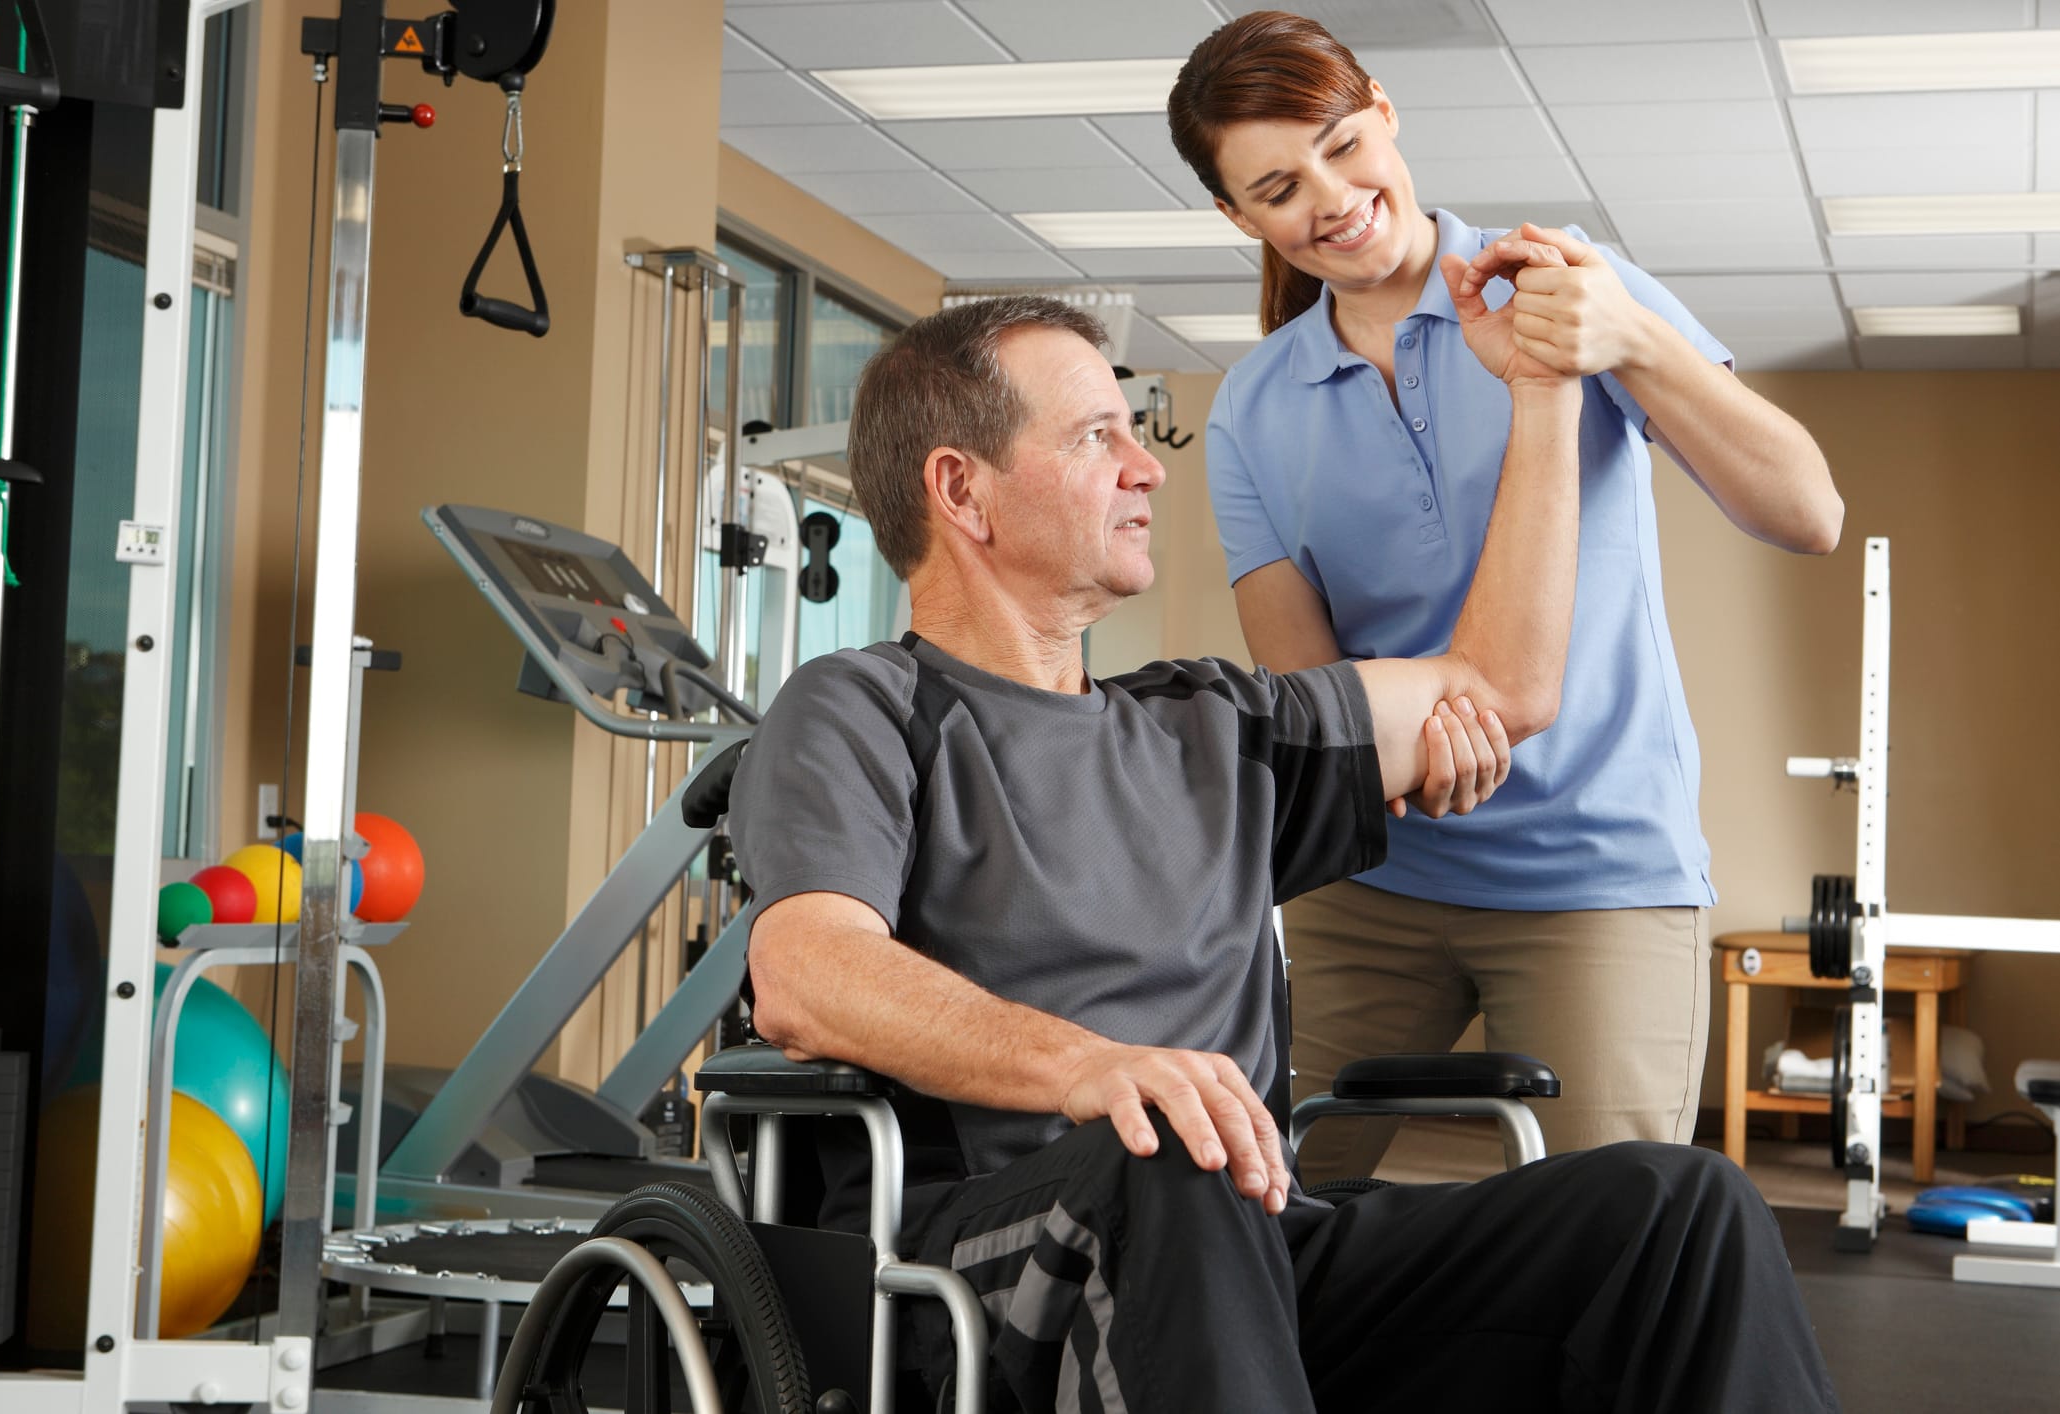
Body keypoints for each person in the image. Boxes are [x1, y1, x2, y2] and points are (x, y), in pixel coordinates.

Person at [727, 292, 1838, 1411]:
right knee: (1166, 1150)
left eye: (1130, 431)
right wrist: (1089, 1067)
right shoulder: (858, 706)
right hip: (990, 1262)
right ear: (962, 490)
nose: (1146, 468)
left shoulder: (1213, 724)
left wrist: (1544, 390)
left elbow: (1500, 691)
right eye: (1092, 436)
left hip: (1248, 1240)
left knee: (1678, 1210)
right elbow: (807, 974)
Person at [1166, 10, 1845, 1180]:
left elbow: (1808, 513)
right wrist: (1428, 754)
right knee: (1261, 1212)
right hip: (1371, 876)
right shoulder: (1253, 407)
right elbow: (1308, 683)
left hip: (1598, 877)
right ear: (1240, 219)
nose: (1330, 196)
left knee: (1614, 1240)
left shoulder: (1570, 286)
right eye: (1279, 187)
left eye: (1342, 143)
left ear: (1384, 109)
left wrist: (1630, 336)